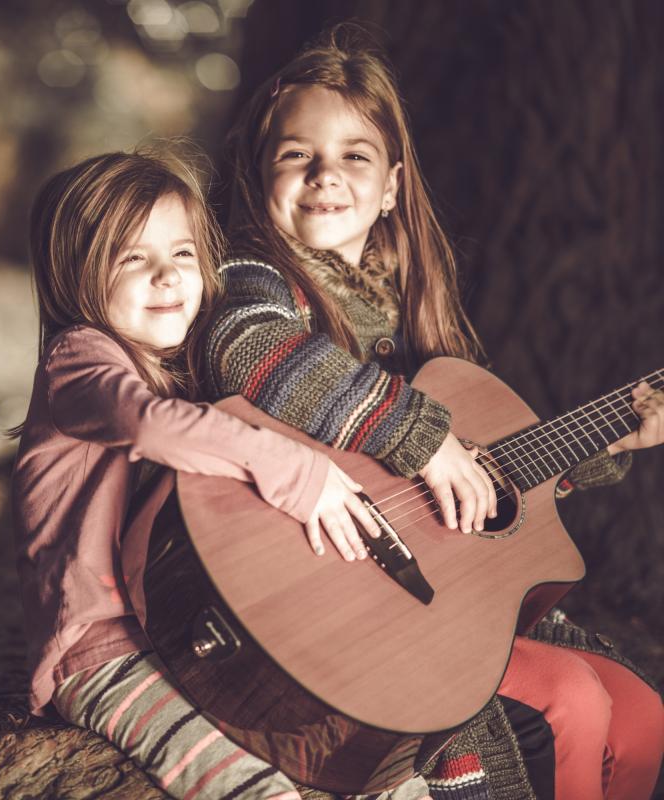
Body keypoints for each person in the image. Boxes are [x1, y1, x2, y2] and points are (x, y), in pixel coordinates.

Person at [205, 24, 664, 800]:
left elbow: (480, 479)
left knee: (644, 713)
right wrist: (425, 443)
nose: (325, 173)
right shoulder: (256, 278)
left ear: (391, 187)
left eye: (355, 155)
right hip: (326, 598)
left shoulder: (409, 322)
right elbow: (247, 349)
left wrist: (617, 431)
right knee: (575, 702)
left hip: (415, 592)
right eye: (295, 153)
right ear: (259, 175)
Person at [10, 147, 433, 800]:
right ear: (78, 274)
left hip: (191, 629)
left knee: (385, 774)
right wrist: (298, 471)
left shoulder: (189, 364)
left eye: (182, 254)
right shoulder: (80, 359)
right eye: (133, 258)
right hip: (102, 653)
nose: (168, 276)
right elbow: (150, 425)